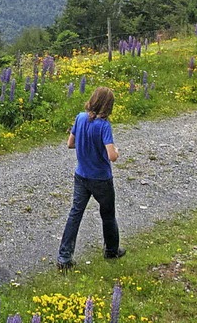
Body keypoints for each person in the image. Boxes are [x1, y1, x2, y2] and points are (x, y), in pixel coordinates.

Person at [57, 86, 125, 271]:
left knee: (75, 214)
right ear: (108, 106)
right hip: (101, 178)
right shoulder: (104, 126)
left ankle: (64, 257)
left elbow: (70, 144)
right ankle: (111, 250)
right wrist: (116, 151)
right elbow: (111, 156)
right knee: (108, 214)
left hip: (81, 175)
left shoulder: (80, 117)